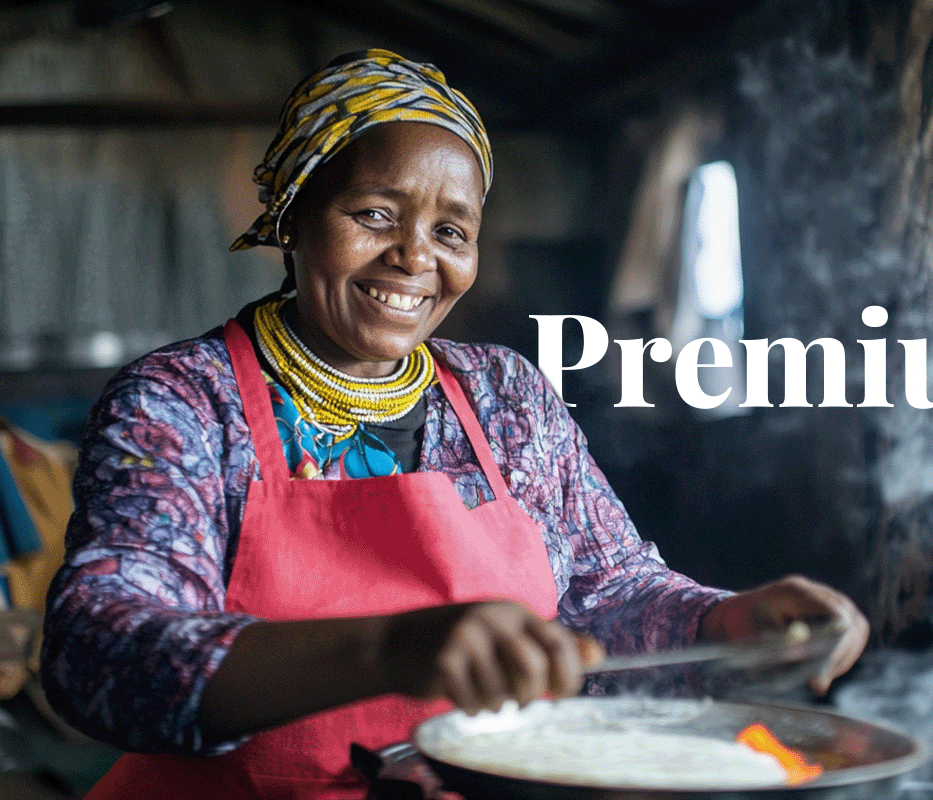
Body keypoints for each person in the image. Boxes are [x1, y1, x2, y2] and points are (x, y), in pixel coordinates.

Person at [40, 50, 868, 800]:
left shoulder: (506, 397)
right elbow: (105, 651)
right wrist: (393, 649)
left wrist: (728, 625)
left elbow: (600, 593)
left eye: (451, 231)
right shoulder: (182, 402)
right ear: (295, 215)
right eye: (373, 214)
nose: (414, 257)